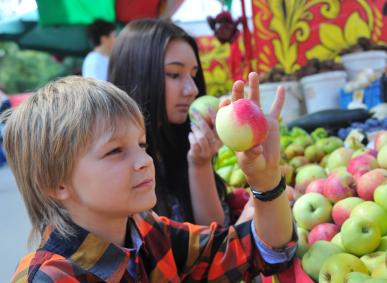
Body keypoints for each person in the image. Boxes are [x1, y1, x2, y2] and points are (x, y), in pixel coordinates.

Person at [4, 75, 296, 282]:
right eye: (116, 150)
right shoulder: (48, 278)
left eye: (142, 145)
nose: (144, 161)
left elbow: (260, 250)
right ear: (55, 183)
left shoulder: (151, 235)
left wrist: (265, 179)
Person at [109, 19, 235, 226]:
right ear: (137, 75)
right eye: (174, 74)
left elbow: (213, 237)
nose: (192, 89)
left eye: (193, 75)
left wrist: (200, 163)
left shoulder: (177, 143)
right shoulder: (115, 166)